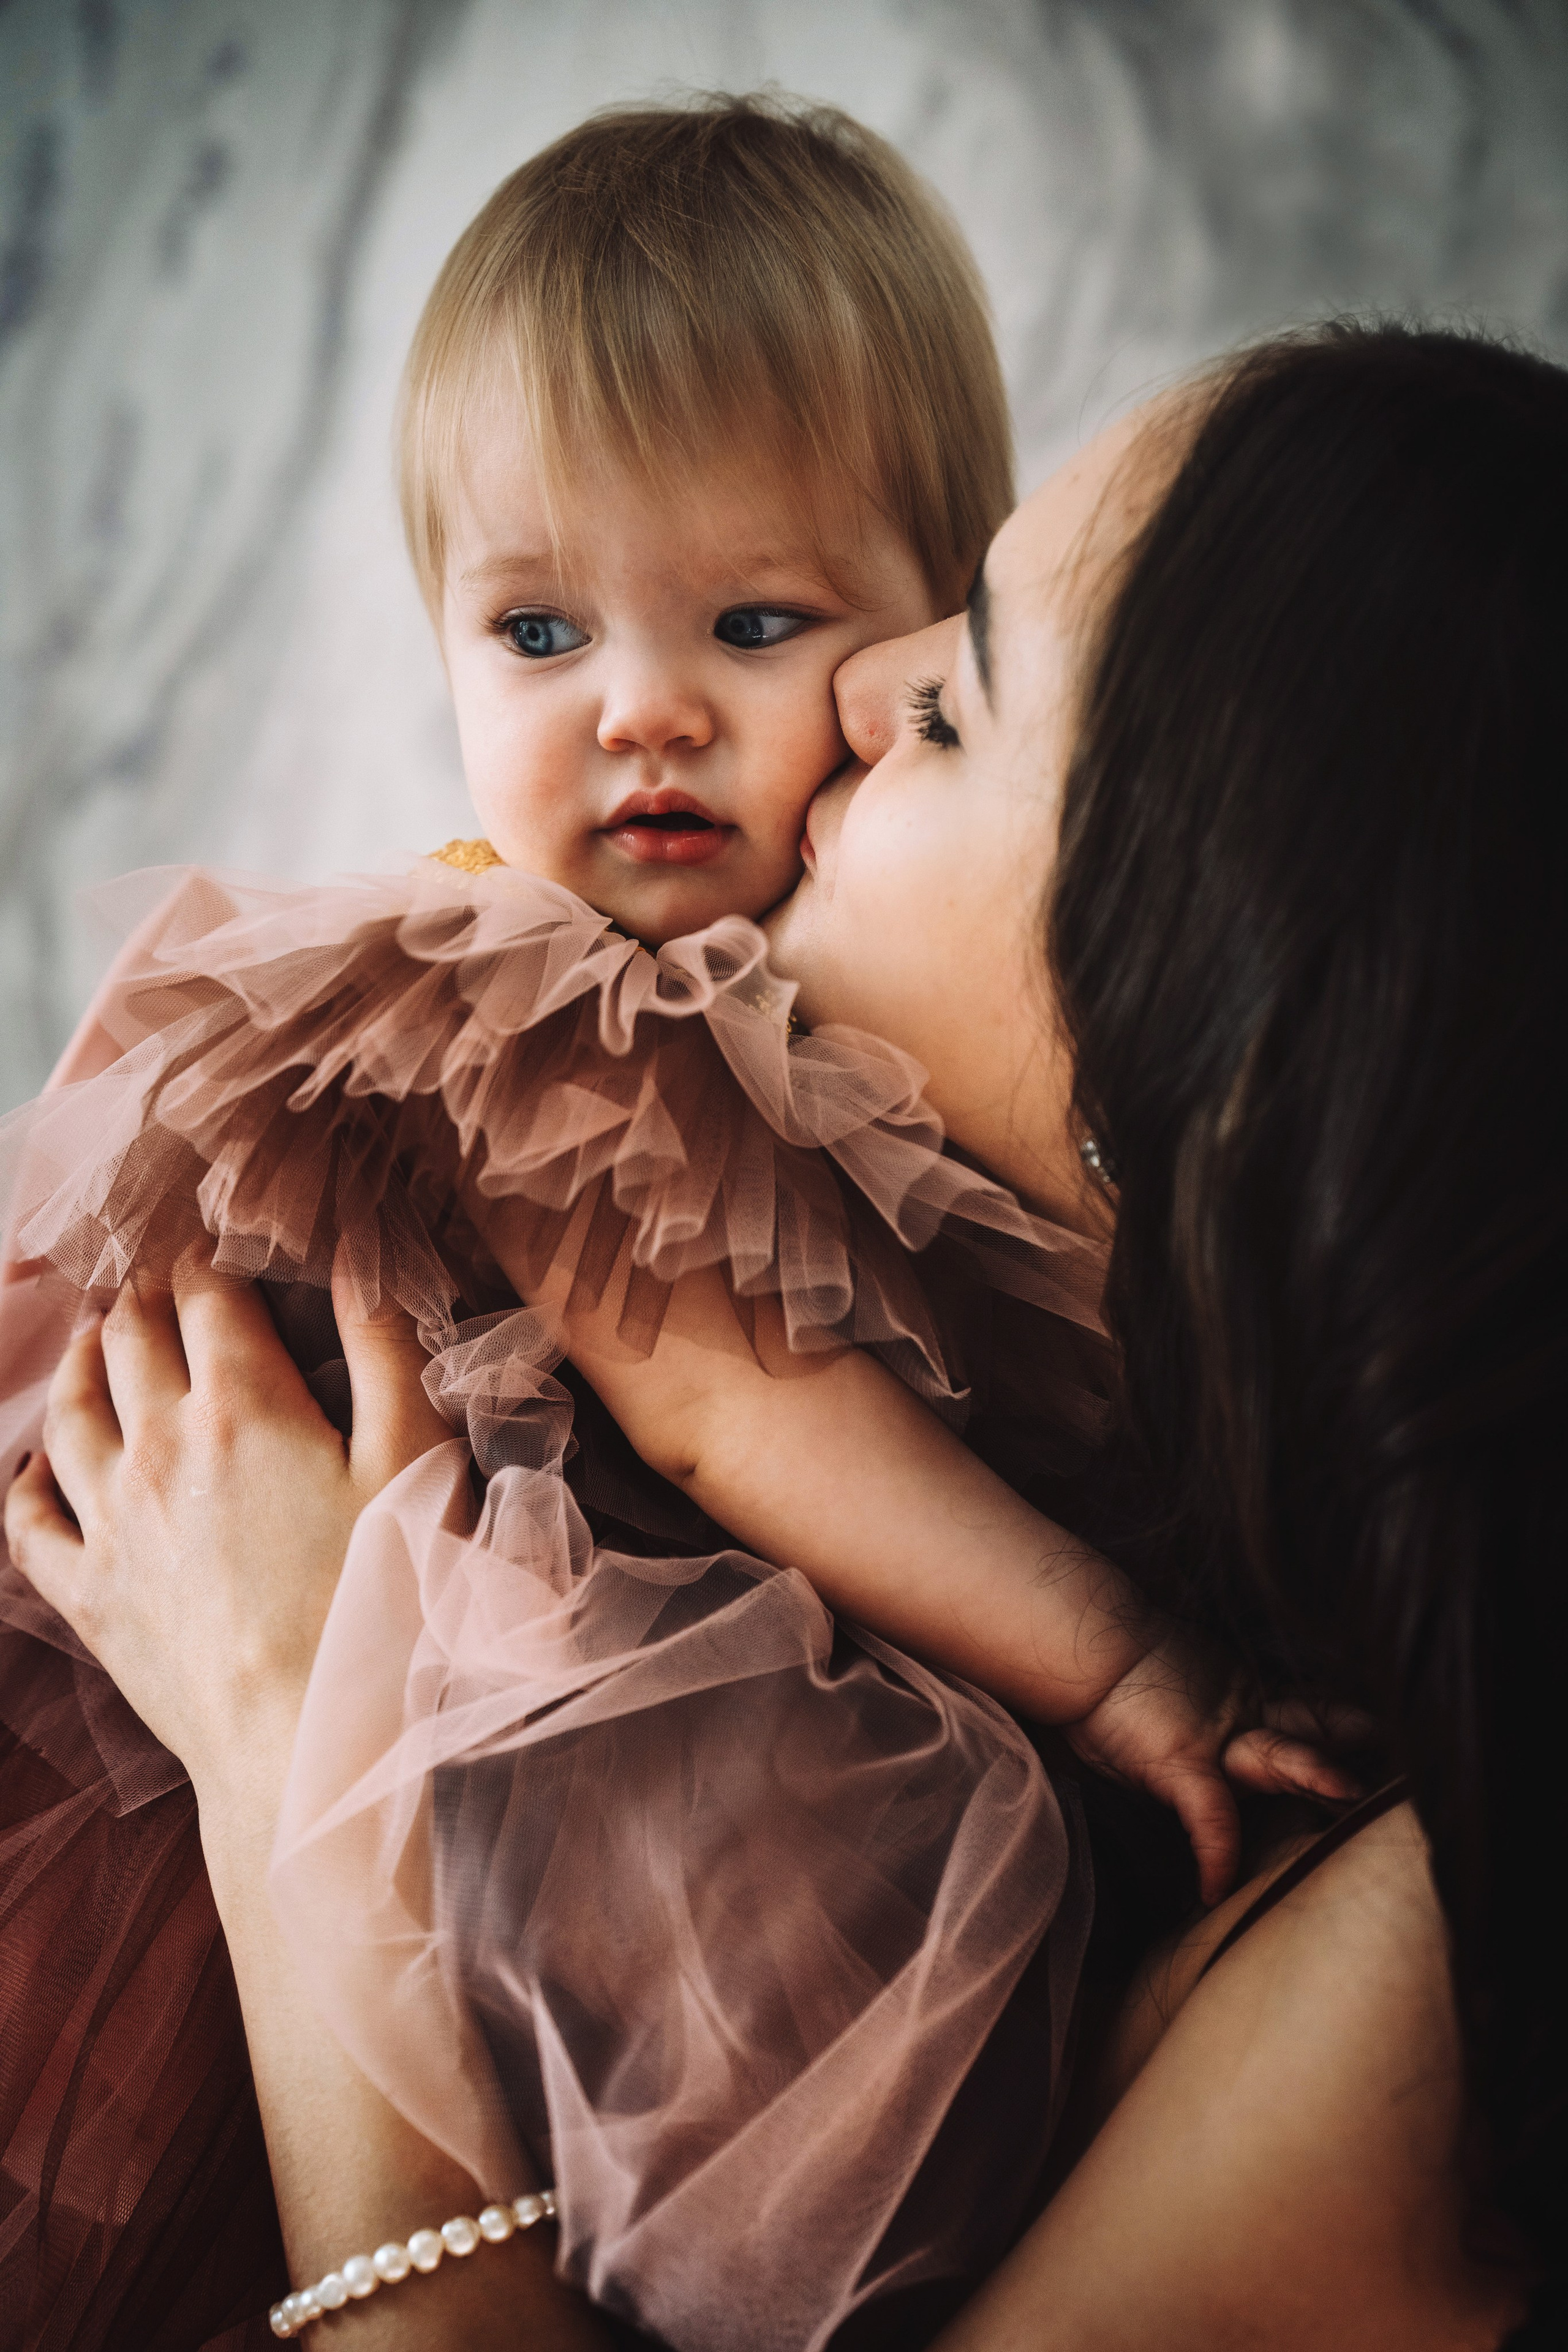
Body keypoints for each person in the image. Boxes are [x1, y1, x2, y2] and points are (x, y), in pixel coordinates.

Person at [12, 313, 1555, 2349]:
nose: (859, 680)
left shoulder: (1438, 1967)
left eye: (960, 701)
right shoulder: (1139, 1478)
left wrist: (298, 1739)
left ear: (1208, 1012)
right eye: (537, 629)